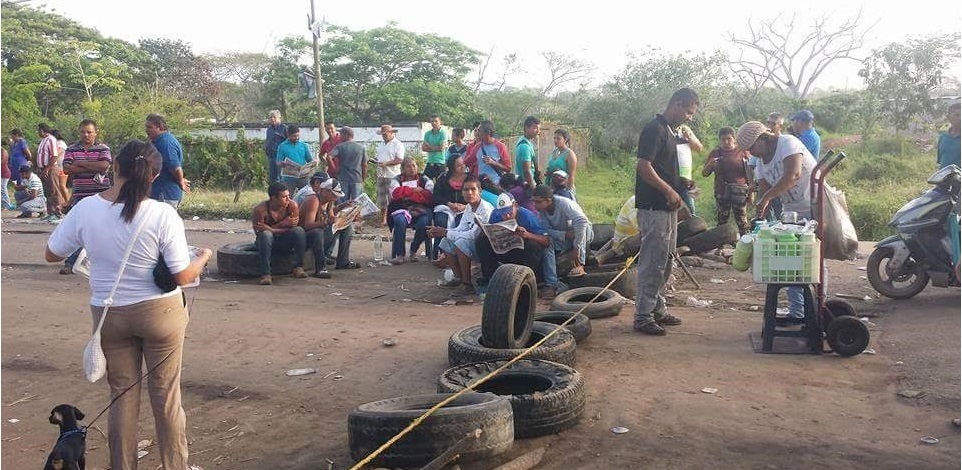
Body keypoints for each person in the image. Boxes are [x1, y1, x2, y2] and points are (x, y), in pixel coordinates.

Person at [44, 139, 212, 470]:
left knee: (122, 397)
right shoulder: (163, 214)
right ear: (153, 176)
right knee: (166, 398)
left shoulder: (87, 209)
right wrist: (204, 257)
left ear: (115, 167)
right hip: (160, 314)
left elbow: (51, 254)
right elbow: (181, 275)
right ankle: (174, 466)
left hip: (109, 315)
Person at [735, 120, 818, 324]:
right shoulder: (761, 162)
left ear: (763, 138)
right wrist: (761, 216)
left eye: (752, 148)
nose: (752, 153)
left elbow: (793, 176)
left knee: (810, 260)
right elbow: (765, 191)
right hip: (793, 212)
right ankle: (798, 311)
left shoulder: (788, 143)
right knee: (791, 260)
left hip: (815, 205)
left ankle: (815, 311)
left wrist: (766, 199)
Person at [633, 87, 699, 336]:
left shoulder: (671, 132)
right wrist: (667, 191)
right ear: (678, 105)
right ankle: (642, 316)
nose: (689, 117)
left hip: (668, 206)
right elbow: (644, 167)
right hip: (654, 207)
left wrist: (682, 184)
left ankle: (657, 308)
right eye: (689, 112)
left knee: (666, 259)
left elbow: (664, 168)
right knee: (652, 262)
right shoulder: (654, 129)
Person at [60, 119, 113, 274]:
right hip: (80, 196)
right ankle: (71, 261)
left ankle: (100, 262)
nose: (86, 135)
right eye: (83, 131)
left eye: (89, 132)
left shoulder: (103, 148)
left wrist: (80, 163)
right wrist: (91, 164)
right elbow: (67, 169)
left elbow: (104, 165)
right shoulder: (71, 149)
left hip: (101, 196)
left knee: (102, 230)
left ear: (96, 132)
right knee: (78, 230)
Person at [476, 192, 552, 298]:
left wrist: (528, 235)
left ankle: (527, 280)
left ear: (515, 205)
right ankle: (490, 278)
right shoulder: (495, 214)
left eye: (509, 212)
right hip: (504, 249)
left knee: (532, 246)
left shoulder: (528, 217)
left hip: (523, 254)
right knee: (481, 242)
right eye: (503, 213)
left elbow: (546, 241)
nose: (506, 216)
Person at [427, 175, 493, 295]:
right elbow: (460, 229)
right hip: (472, 243)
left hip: (486, 249)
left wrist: (446, 232)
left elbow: (473, 235)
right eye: (466, 190)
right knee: (445, 242)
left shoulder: (485, 209)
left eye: (473, 189)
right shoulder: (468, 207)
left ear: (480, 192)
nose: (469, 193)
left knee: (460, 242)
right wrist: (441, 231)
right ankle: (459, 279)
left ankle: (467, 285)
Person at [532, 185, 593, 296]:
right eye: (534, 201)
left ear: (548, 200)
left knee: (578, 231)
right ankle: (552, 283)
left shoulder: (564, 204)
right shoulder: (542, 211)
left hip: (582, 234)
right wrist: (564, 235)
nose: (535, 205)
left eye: (538, 202)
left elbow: (582, 222)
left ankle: (581, 264)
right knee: (547, 243)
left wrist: (576, 248)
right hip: (564, 236)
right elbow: (546, 231)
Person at [299, 174, 358, 278]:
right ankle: (320, 269)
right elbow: (307, 225)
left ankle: (343, 261)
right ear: (325, 191)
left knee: (347, 226)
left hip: (321, 234)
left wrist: (345, 214)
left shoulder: (329, 202)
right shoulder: (313, 200)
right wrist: (326, 223)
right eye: (334, 195)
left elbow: (331, 217)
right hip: (307, 238)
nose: (335, 198)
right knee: (317, 232)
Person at [252, 182, 308, 285]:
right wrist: (282, 224)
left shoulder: (292, 206)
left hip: (284, 240)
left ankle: (298, 267)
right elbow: (259, 233)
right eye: (284, 197)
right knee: (266, 235)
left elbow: (293, 228)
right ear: (274, 198)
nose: (288, 199)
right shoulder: (260, 210)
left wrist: (271, 229)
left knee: (299, 231)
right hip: (266, 242)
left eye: (288, 196)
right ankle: (266, 274)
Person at [702, 126, 751, 235]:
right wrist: (710, 164)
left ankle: (747, 245)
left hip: (740, 191)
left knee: (742, 221)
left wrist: (751, 193)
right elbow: (704, 174)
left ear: (734, 139)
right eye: (723, 139)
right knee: (722, 221)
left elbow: (750, 173)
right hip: (722, 191)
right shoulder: (715, 153)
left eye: (729, 139)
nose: (726, 142)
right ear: (719, 140)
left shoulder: (743, 152)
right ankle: (720, 247)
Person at [387, 157, 434, 264]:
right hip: (401, 209)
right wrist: (415, 191)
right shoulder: (396, 179)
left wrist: (406, 194)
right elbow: (395, 193)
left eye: (414, 165)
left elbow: (429, 194)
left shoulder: (424, 179)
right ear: (403, 169)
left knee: (424, 223)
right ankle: (400, 254)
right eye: (408, 166)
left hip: (421, 210)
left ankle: (413, 250)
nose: (412, 168)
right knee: (399, 220)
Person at [145, 114, 189, 209]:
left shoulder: (166, 143)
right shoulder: (158, 141)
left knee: (162, 223)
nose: (146, 130)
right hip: (158, 194)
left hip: (165, 195)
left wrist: (181, 181)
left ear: (159, 127)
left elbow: (175, 167)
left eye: (149, 127)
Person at [431, 155, 469, 260]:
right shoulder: (443, 179)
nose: (462, 167)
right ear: (452, 167)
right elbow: (436, 196)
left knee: (461, 223)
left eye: (463, 164)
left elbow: (477, 196)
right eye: (458, 166)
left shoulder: (470, 178)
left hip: (464, 209)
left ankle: (457, 255)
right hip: (445, 208)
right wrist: (449, 204)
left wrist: (465, 206)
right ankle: (440, 253)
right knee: (441, 222)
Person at [463, 120, 511, 186]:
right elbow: (468, 162)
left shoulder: (500, 146)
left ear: (488, 132)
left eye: (479, 131)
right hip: (481, 185)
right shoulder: (477, 146)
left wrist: (494, 163)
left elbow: (508, 168)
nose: (477, 133)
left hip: (497, 185)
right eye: (476, 131)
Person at [375, 124, 405, 226]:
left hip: (393, 174)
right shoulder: (381, 144)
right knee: (382, 198)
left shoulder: (398, 144)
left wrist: (386, 163)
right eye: (382, 134)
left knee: (393, 198)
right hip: (381, 174)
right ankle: (383, 219)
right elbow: (379, 158)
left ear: (391, 133)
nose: (384, 136)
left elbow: (400, 159)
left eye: (385, 134)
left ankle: (394, 218)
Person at [329, 126, 367, 202]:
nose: (339, 136)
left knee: (342, 202)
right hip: (357, 179)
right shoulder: (361, 148)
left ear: (346, 135)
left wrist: (334, 170)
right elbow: (364, 165)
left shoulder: (340, 147)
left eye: (341, 134)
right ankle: (356, 214)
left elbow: (329, 157)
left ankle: (342, 214)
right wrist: (363, 178)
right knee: (357, 203)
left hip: (343, 178)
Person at [675, 124, 704, 216]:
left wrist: (689, 137)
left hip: (685, 179)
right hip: (669, 177)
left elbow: (699, 148)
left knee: (690, 210)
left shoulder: (684, 129)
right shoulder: (664, 129)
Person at [276, 125, 315, 189]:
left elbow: (309, 160)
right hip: (288, 178)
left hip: (303, 177)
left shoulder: (303, 145)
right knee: (288, 196)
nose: (296, 138)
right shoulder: (282, 146)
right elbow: (278, 162)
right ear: (288, 135)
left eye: (298, 136)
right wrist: (283, 163)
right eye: (294, 136)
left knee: (306, 195)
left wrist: (313, 163)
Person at [36, 123, 62, 220]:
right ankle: (50, 212)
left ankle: (58, 212)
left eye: (39, 130)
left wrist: (47, 168)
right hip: (43, 169)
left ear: (43, 130)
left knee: (54, 190)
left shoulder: (51, 139)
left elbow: (54, 155)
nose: (38, 133)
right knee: (47, 191)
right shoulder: (43, 140)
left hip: (50, 168)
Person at [546, 128, 578, 197]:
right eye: (554, 138)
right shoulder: (554, 152)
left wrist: (567, 192)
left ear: (565, 140)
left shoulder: (570, 154)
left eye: (558, 138)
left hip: (563, 188)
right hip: (552, 187)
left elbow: (571, 176)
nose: (555, 140)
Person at [515, 116, 541, 189]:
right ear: (526, 128)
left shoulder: (524, 141)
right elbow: (527, 171)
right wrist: (534, 188)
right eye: (535, 128)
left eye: (539, 129)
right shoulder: (525, 146)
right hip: (526, 186)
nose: (538, 131)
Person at [264, 110, 288, 184]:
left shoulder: (284, 128)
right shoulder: (269, 129)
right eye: (271, 117)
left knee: (282, 177)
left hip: (281, 157)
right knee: (272, 177)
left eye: (274, 117)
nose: (272, 119)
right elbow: (268, 140)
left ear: (279, 118)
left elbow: (288, 142)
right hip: (271, 156)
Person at [422, 115, 448, 179]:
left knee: (441, 184)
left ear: (440, 122)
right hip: (430, 162)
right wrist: (436, 147)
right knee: (424, 181)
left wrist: (429, 146)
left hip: (440, 163)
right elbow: (423, 148)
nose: (434, 123)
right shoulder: (427, 133)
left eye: (436, 121)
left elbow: (441, 148)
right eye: (432, 121)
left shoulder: (443, 133)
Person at [937, 102, 961, 169]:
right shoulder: (943, 137)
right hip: (944, 178)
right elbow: (941, 162)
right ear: (948, 117)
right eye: (957, 115)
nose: (960, 118)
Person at [1, 141, 12, 210]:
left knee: (3, 189)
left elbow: (2, 162)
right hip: (2, 172)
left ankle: (7, 205)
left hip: (4, 173)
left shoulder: (3, 151)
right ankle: (4, 205)